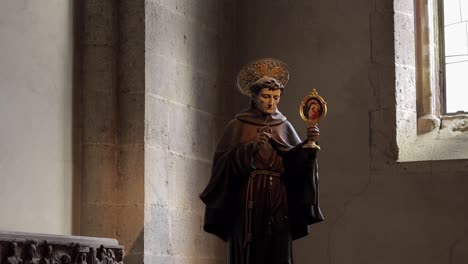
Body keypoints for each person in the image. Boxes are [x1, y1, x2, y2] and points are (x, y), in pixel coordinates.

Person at [200, 58, 324, 264]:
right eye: (266, 96)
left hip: (278, 196)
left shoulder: (284, 125)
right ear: (254, 97)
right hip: (248, 196)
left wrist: (309, 146)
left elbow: (295, 164)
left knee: (278, 248)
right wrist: (251, 148)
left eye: (276, 97)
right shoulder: (238, 125)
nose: (271, 102)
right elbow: (223, 165)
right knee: (249, 248)